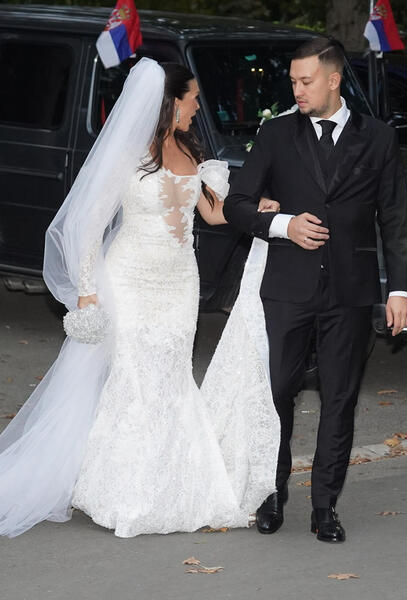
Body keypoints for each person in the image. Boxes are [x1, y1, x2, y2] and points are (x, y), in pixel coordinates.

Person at [0, 58, 280, 538]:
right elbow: (87, 225)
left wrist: (257, 209)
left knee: (171, 375)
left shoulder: (190, 148)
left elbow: (213, 214)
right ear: (171, 102)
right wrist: (87, 293)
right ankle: (121, 491)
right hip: (130, 279)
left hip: (180, 282)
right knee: (132, 378)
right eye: (192, 99)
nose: (197, 108)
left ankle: (175, 484)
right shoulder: (127, 153)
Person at [224, 37, 407, 543]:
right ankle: (271, 493)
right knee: (276, 394)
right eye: (292, 82)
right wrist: (283, 225)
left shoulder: (378, 138)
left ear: (333, 80)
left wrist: (400, 289)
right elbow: (236, 204)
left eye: (306, 81)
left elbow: (394, 218)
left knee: (340, 398)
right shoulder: (276, 133)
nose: (297, 90)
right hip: (287, 287)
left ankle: (324, 506)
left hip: (351, 291)